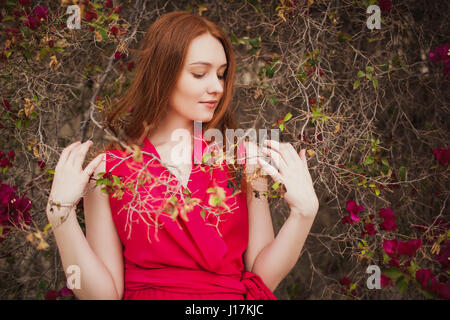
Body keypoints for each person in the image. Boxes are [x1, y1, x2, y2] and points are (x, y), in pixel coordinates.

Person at [46, 11, 319, 300]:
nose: (217, 87)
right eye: (200, 73)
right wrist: (60, 215)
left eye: (221, 74)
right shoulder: (110, 169)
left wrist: (303, 214)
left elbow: (261, 278)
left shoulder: (242, 161)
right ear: (162, 73)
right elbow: (103, 296)